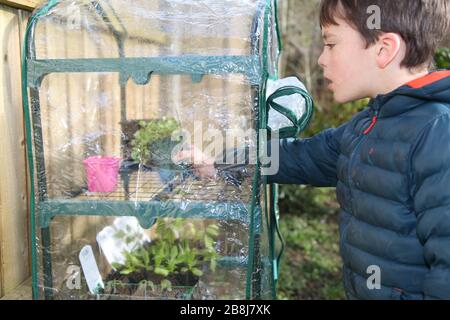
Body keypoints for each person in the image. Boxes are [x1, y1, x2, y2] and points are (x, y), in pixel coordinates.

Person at [176, 0, 450, 299]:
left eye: (331, 43)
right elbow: (300, 157)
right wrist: (219, 161)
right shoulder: (366, 126)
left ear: (384, 49)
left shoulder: (438, 133)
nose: (321, 59)